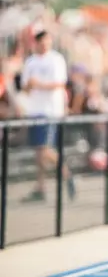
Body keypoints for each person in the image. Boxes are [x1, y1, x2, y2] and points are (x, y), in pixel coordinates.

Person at [20, 30, 76, 202]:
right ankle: (41, 186)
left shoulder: (56, 60)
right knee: (39, 151)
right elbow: (25, 87)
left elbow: (60, 83)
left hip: (50, 110)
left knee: (44, 149)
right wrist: (32, 86)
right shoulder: (30, 62)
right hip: (35, 110)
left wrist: (39, 84)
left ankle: (66, 173)